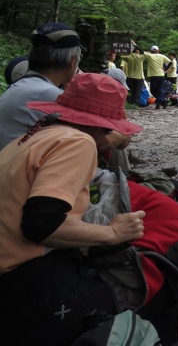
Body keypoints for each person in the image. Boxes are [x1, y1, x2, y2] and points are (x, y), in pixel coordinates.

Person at [0, 73, 146, 346]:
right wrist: (113, 232)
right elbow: (42, 224)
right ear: (95, 126)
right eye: (106, 129)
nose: (106, 137)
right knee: (134, 289)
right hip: (21, 276)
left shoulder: (38, 135)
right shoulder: (78, 142)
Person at [0, 22, 82, 150]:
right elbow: (102, 138)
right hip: (17, 168)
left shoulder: (22, 86)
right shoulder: (49, 94)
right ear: (72, 61)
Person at [141, 44, 171, 109]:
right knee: (159, 90)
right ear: (158, 50)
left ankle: (161, 101)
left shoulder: (149, 56)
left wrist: (134, 44)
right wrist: (165, 69)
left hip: (154, 75)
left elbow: (141, 51)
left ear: (151, 50)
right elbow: (170, 62)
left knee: (153, 90)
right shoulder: (162, 56)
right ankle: (162, 102)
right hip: (161, 75)